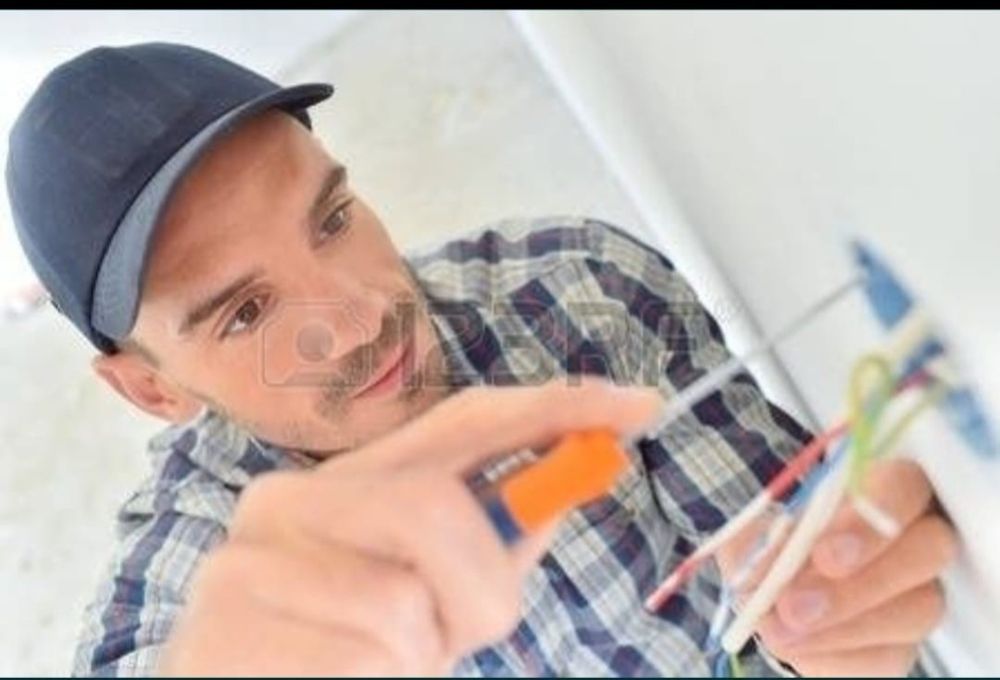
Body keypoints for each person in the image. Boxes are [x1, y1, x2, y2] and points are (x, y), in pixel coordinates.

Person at [6, 43, 956, 677]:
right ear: (150, 389)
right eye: (247, 312)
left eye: (330, 219)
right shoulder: (190, 564)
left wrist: (837, 633)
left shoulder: (580, 292)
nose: (362, 319)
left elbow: (815, 594)